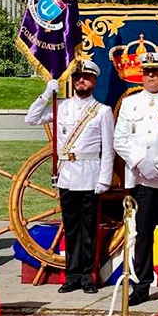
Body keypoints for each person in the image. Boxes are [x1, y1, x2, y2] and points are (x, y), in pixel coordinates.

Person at [25, 60, 114, 294]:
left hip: (90, 175)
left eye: (86, 77)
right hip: (67, 177)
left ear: (94, 81)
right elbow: (31, 119)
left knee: (88, 230)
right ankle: (72, 276)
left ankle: (87, 276)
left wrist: (104, 179)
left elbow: (108, 149)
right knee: (71, 229)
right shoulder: (61, 108)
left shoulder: (102, 112)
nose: (81, 81)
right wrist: (46, 94)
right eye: (78, 78)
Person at [114, 52, 158, 306]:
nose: (151, 76)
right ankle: (141, 285)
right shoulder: (130, 103)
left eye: (156, 71)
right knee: (141, 235)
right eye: (147, 72)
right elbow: (119, 139)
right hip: (140, 179)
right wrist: (139, 162)